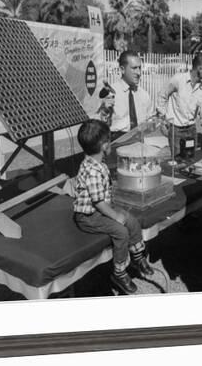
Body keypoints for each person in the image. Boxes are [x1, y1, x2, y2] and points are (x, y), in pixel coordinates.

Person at [73, 119, 153, 294]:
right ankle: (119, 273)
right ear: (104, 146)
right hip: (89, 216)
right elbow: (98, 203)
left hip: (102, 208)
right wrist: (116, 217)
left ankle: (138, 257)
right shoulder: (92, 171)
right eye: (109, 140)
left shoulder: (97, 163)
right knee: (121, 231)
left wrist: (120, 214)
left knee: (131, 220)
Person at [156, 53, 202, 162]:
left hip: (191, 129)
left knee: (190, 161)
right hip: (176, 129)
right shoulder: (178, 79)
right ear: (200, 68)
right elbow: (162, 95)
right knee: (178, 162)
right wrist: (162, 119)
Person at [101, 51, 155, 141]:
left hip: (139, 145)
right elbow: (99, 127)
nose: (138, 73)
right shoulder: (110, 94)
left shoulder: (144, 95)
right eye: (134, 68)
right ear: (122, 69)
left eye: (139, 68)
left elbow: (151, 122)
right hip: (117, 144)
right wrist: (104, 112)